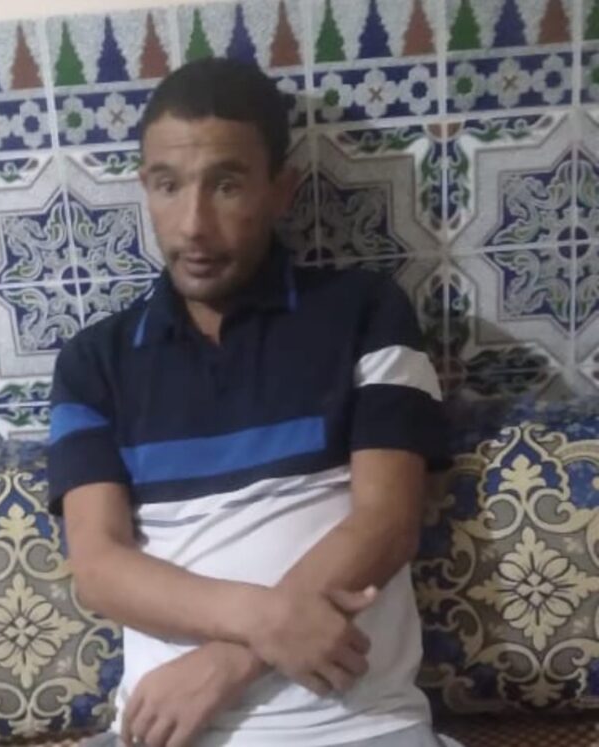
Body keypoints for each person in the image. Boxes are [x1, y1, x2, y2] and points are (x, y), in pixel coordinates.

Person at [48, 58, 455, 747]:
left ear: (280, 190)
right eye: (168, 185)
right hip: (159, 735)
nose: (194, 225)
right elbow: (99, 567)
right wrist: (264, 621)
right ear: (145, 186)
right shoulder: (93, 362)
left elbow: (388, 523)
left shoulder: (365, 313)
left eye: (227, 184)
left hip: (354, 730)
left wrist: (227, 664)